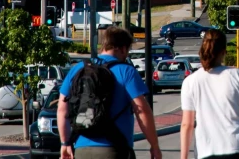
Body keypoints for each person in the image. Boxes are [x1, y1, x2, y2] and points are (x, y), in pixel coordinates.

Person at [57, 26, 161, 159]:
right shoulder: (126, 71)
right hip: (114, 150)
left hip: (81, 148)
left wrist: (65, 143)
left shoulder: (77, 69)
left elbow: (62, 110)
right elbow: (142, 110)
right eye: (127, 50)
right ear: (122, 48)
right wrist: (154, 145)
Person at [180, 30, 239, 159]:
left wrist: (183, 157)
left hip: (207, 151)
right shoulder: (237, 75)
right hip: (238, 148)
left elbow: (187, 124)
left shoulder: (190, 82)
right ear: (224, 51)